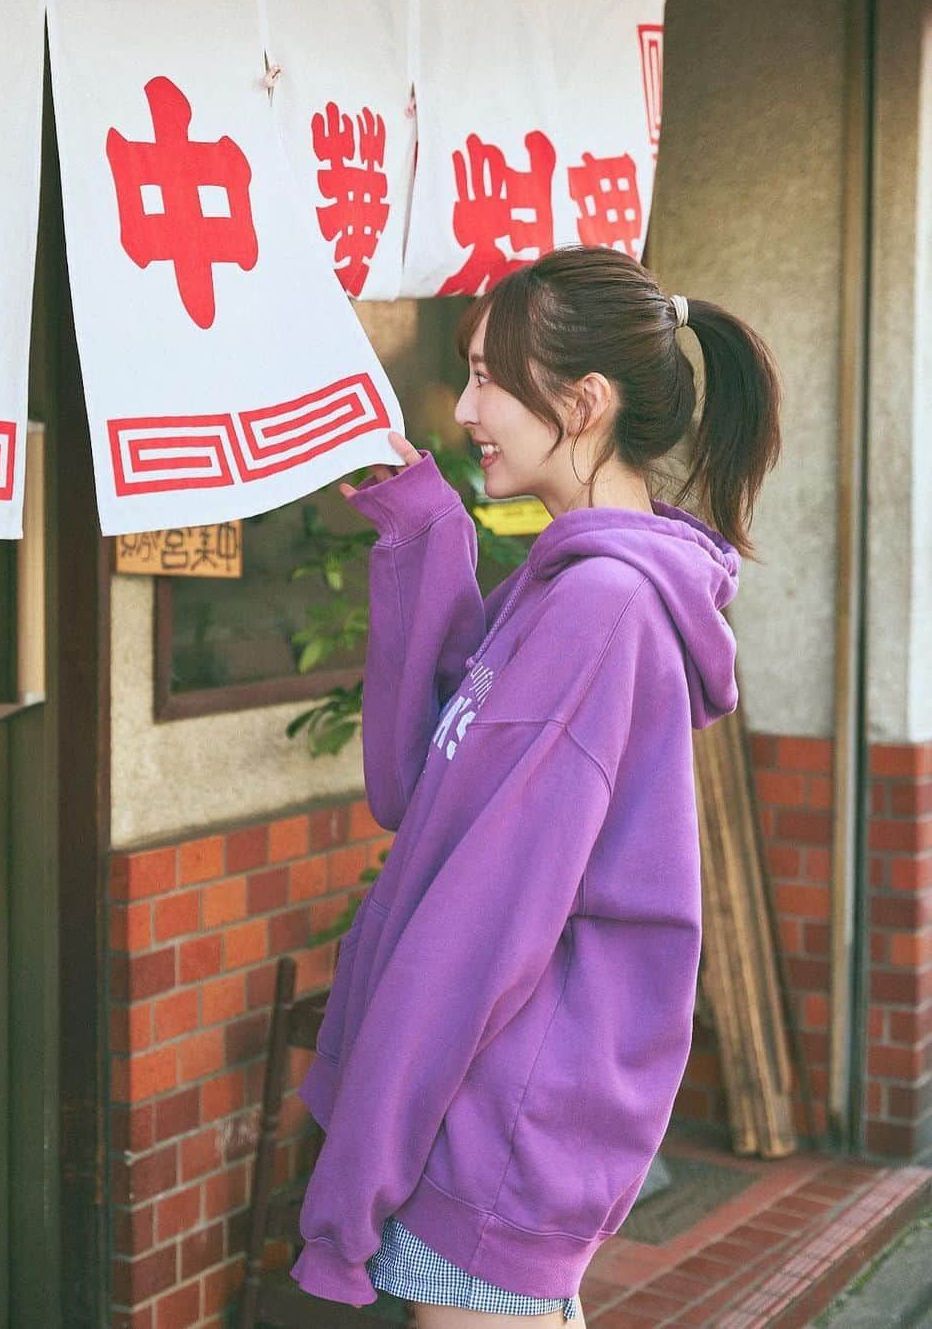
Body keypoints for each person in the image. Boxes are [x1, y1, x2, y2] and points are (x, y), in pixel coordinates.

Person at [288, 244, 782, 1328]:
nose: (464, 408)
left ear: (585, 402)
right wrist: (425, 530)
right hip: (486, 1118)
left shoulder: (601, 606)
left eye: (486, 377)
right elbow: (417, 785)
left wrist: (351, 1193)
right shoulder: (566, 584)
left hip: (496, 1139)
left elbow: (482, 926)